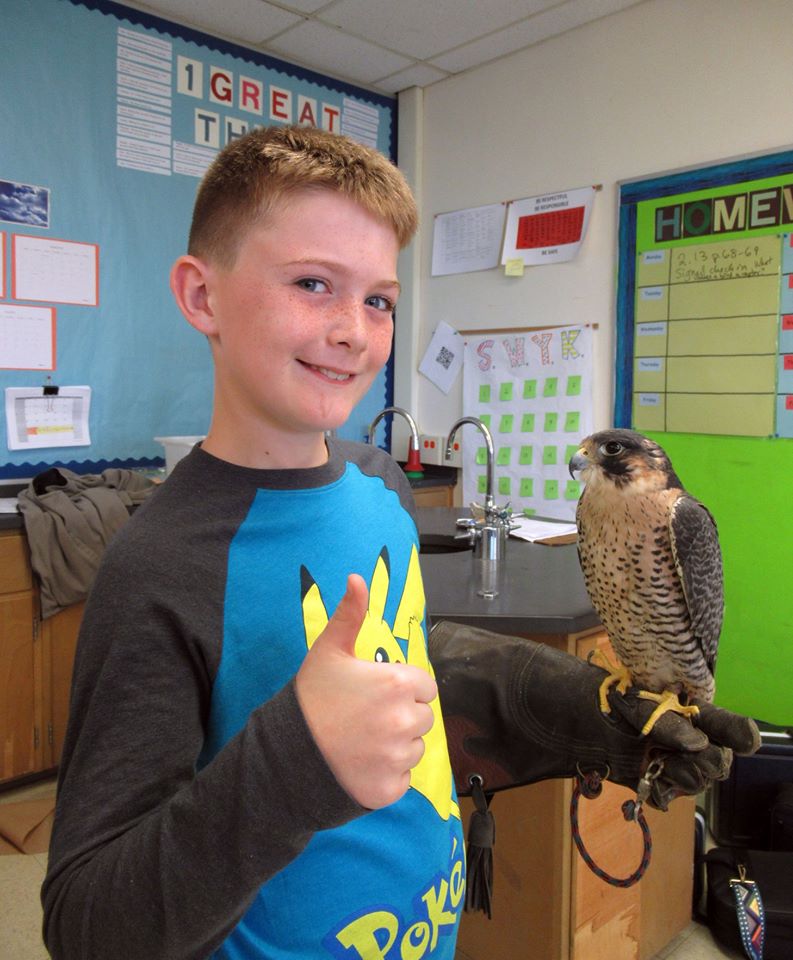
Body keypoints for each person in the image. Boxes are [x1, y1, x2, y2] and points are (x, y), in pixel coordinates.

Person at [42, 125, 759, 960]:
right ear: (202, 297)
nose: (354, 330)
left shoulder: (379, 487)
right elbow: (87, 925)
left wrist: (570, 708)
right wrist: (292, 760)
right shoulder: (159, 566)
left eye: (379, 300)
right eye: (313, 283)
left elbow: (398, 659)